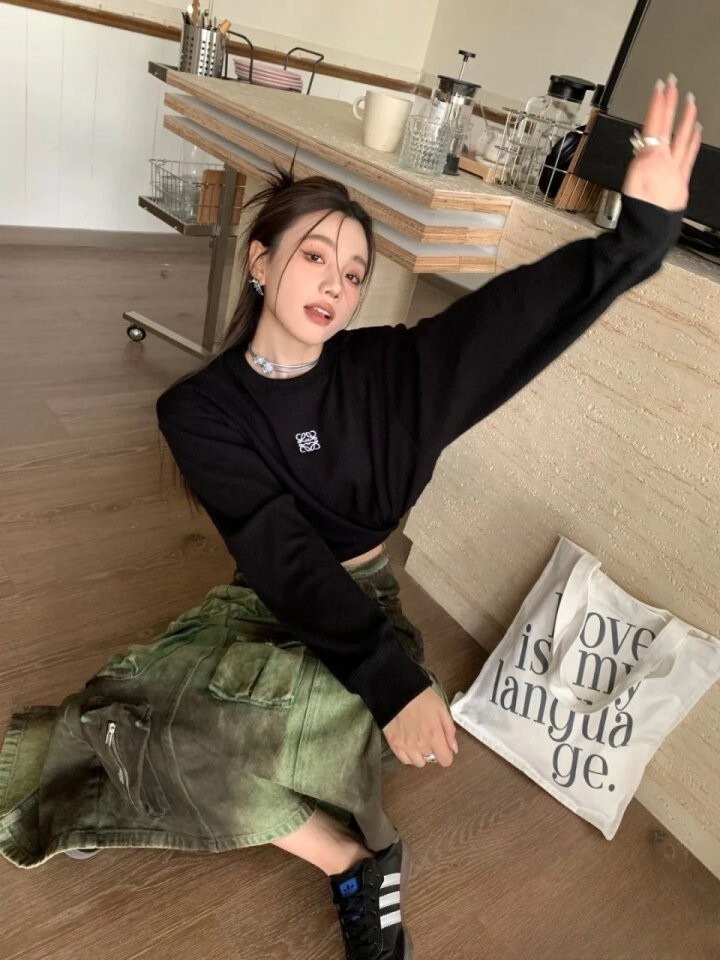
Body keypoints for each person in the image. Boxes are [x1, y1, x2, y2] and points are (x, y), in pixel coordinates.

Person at [155, 76, 701, 960]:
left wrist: (635, 243)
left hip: (366, 607)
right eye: (313, 257)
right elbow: (282, 555)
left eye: (354, 273)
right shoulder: (197, 409)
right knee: (147, 725)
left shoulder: (388, 374)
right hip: (271, 602)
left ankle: (347, 835)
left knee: (256, 743)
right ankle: (350, 859)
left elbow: (509, 319)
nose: (335, 284)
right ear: (259, 261)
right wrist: (392, 685)